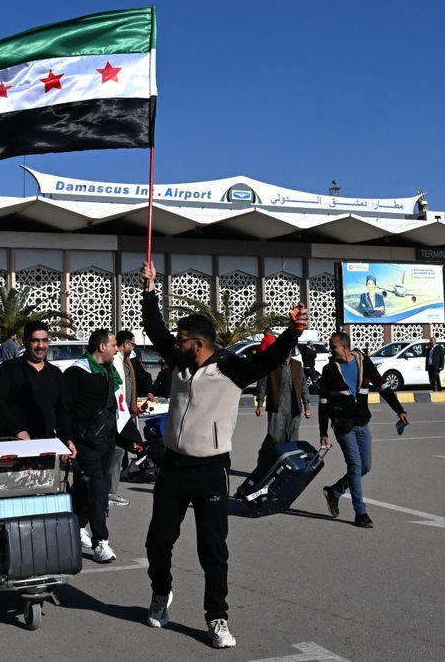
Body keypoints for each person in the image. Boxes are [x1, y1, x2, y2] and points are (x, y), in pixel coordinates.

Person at [139, 260, 308, 649]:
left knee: (212, 549)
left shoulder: (231, 368)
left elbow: (267, 360)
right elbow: (154, 328)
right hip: (173, 467)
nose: (175, 345)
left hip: (211, 469)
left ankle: (217, 618)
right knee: (157, 542)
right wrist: (149, 288)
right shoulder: (181, 363)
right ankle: (161, 594)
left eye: (182, 340)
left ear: (198, 343)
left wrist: (292, 331)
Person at [319, 332, 410, 529]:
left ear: (345, 347)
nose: (330, 350)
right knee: (355, 465)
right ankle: (360, 512)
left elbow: (383, 387)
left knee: (365, 466)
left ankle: (335, 491)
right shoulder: (329, 370)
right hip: (342, 424)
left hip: (362, 422)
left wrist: (399, 410)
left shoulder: (364, 363)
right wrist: (323, 431)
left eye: (333, 346)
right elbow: (323, 403)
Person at [66, 329, 122, 564]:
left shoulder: (109, 372)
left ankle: (75, 525)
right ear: (101, 347)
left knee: (84, 486)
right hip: (84, 443)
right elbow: (65, 409)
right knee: (98, 488)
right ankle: (101, 541)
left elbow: (116, 406)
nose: (117, 348)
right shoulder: (76, 373)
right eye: (113, 345)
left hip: (107, 440)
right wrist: (67, 440)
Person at [0, 320, 74, 447]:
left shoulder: (55, 373)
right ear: (25, 341)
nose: (41, 345)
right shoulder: (9, 368)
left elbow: (62, 411)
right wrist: (18, 430)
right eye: (35, 340)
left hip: (46, 446)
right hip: (13, 444)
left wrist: (67, 439)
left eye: (45, 340)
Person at [109, 330, 154, 506]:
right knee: (115, 452)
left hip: (124, 413)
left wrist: (133, 406)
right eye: (132, 344)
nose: (133, 348)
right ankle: (106, 491)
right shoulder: (115, 360)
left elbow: (137, 378)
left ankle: (110, 491)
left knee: (119, 452)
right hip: (115, 415)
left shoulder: (127, 361)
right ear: (125, 344)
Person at [254, 346, 312, 461]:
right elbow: (263, 386)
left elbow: (303, 386)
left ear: (291, 352)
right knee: (274, 437)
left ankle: (287, 466)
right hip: (277, 408)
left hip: (294, 409)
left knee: (292, 440)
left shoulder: (297, 365)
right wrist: (260, 404)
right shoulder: (272, 365)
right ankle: (263, 462)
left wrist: (307, 406)